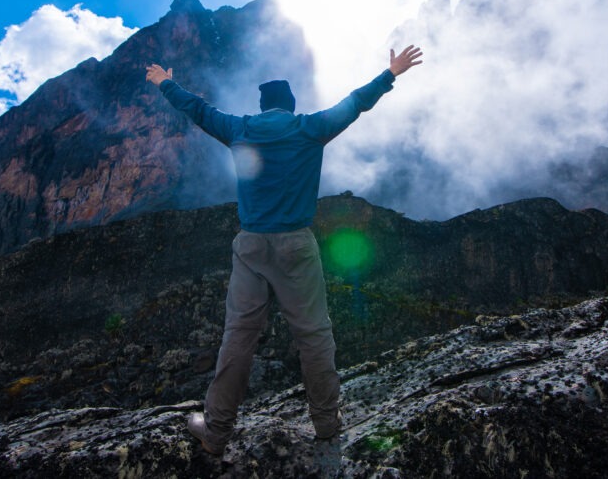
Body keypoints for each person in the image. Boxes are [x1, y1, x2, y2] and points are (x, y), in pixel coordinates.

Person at [146, 44, 423, 456]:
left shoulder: (240, 129)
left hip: (251, 246)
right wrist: (391, 74)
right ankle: (327, 424)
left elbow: (198, 110)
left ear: (262, 107)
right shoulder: (308, 128)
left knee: (239, 337)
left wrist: (166, 82)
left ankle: (217, 430)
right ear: (290, 107)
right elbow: (355, 103)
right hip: (297, 244)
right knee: (313, 335)